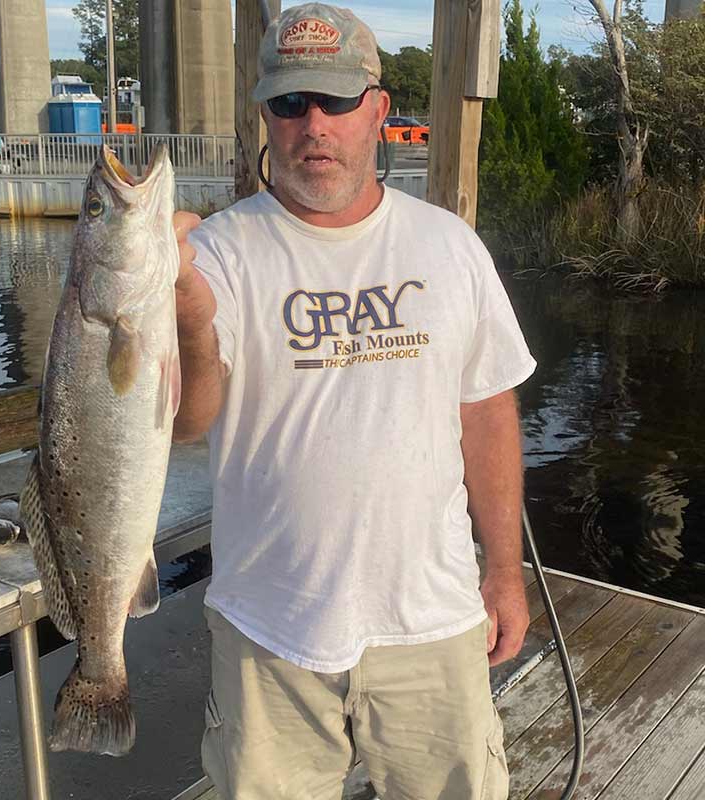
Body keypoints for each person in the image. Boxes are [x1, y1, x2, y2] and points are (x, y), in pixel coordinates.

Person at [172, 3, 536, 797]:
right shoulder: (217, 253)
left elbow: (486, 411)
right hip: (269, 632)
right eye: (290, 103)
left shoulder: (450, 245)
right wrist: (193, 324)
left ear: (377, 107)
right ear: (263, 112)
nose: (314, 125)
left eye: (335, 101)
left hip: (433, 620)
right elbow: (189, 417)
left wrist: (504, 570)